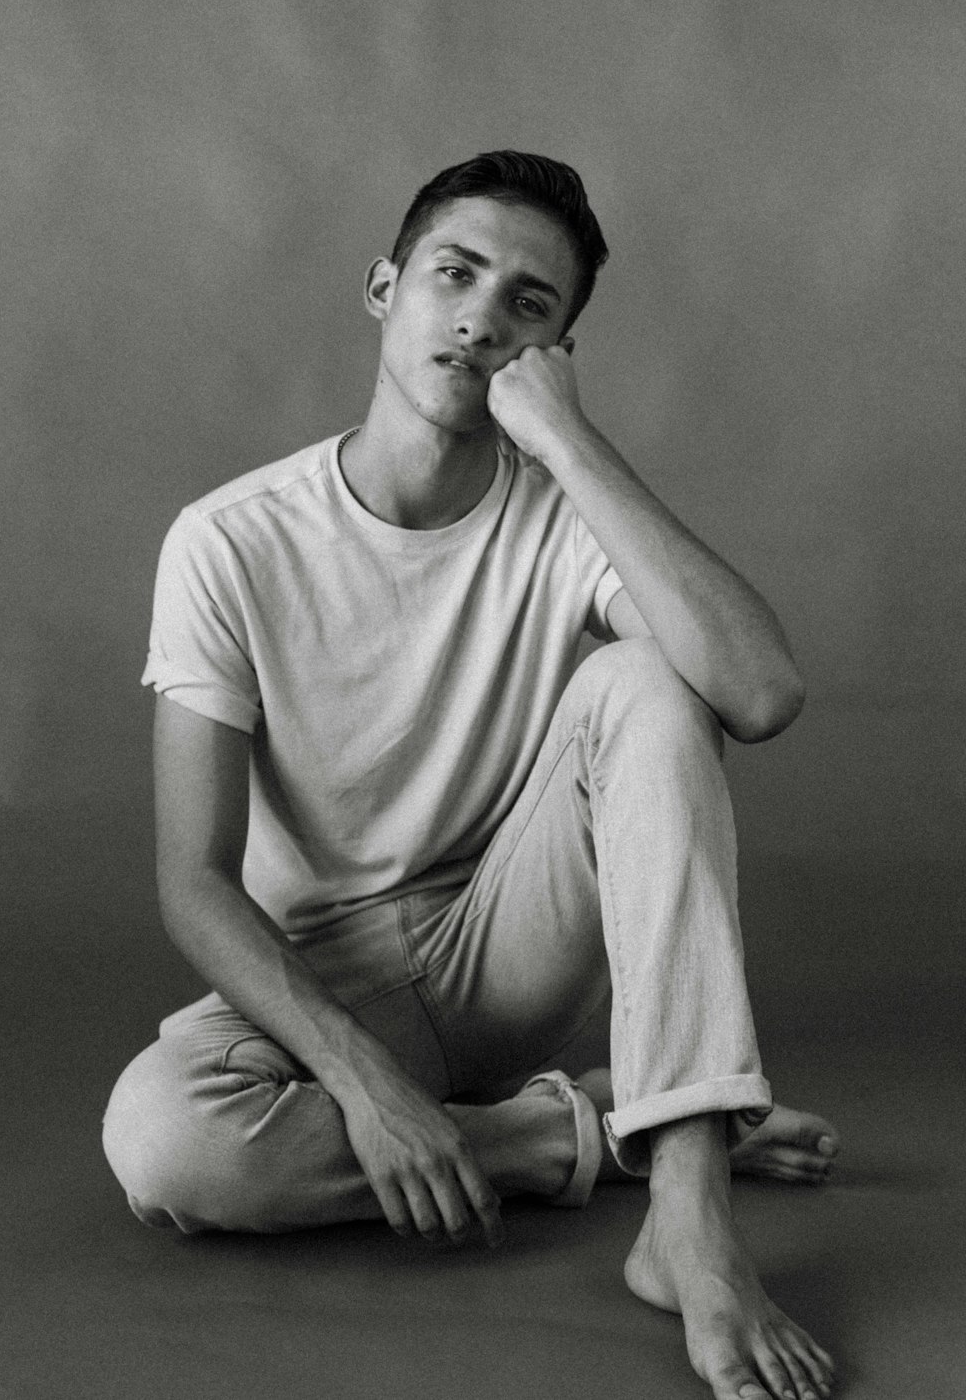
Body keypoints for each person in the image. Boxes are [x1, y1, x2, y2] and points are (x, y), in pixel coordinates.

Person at [104, 151, 840, 1400]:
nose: (483, 317)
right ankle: (609, 1130)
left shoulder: (563, 519)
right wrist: (363, 1082)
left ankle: (692, 1221)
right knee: (170, 1146)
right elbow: (193, 882)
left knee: (652, 685)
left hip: (510, 945)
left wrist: (565, 440)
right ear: (386, 287)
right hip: (328, 975)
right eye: (456, 274)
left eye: (529, 304)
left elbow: (760, 693)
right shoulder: (230, 540)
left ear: (554, 346)